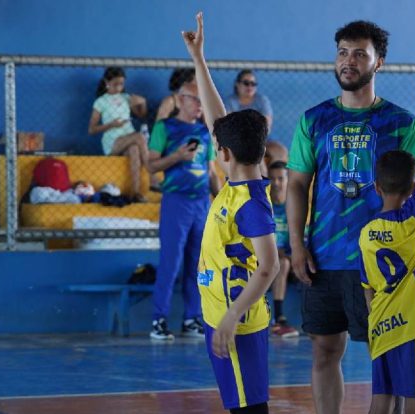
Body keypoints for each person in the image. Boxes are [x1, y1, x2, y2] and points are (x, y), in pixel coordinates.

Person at [286, 20, 415, 414]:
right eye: (343, 52)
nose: (348, 60)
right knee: (325, 349)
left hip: (378, 261)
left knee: (386, 355)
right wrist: (296, 245)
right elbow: (296, 185)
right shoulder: (313, 120)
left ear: (378, 62)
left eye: (359, 54)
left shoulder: (402, 123)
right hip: (324, 258)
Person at [184, 12, 279, 414]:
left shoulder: (250, 203)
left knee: (249, 408)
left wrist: (232, 317)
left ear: (223, 154)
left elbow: (270, 266)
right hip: (220, 315)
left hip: (236, 321)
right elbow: (217, 120)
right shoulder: (235, 182)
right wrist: (199, 59)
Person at [359, 77, 415, 414]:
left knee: (382, 398)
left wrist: (376, 321)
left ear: (377, 187)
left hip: (380, 324)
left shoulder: (365, 233)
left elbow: (367, 288)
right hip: (411, 325)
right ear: (412, 190)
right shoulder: (411, 222)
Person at [147, 68, 221, 341]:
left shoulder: (204, 132)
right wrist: (176, 156)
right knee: (171, 261)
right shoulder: (164, 128)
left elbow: (211, 172)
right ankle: (159, 319)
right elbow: (150, 165)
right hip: (176, 201)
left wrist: (221, 201)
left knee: (198, 263)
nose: (200, 105)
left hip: (201, 202)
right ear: (180, 100)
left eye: (202, 101)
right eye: (195, 99)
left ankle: (192, 317)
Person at [88, 66, 149, 202]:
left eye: (121, 84)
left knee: (134, 149)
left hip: (129, 138)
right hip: (113, 142)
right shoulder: (100, 101)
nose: (119, 87)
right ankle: (153, 175)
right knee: (140, 137)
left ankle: (135, 193)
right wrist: (112, 125)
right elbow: (91, 129)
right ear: (106, 82)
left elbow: (141, 115)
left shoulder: (126, 98)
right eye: (115, 84)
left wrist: (143, 103)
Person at [267, 160, 300, 338]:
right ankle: (278, 318)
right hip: (266, 262)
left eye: (280, 178)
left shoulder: (295, 207)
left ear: (288, 180)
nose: (276, 183)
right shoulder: (264, 206)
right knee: (282, 263)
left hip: (291, 259)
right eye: (272, 179)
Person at [225, 69, 273, 134]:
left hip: (258, 137)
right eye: (246, 83)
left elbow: (267, 127)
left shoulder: (262, 100)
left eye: (253, 84)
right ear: (237, 84)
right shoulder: (230, 101)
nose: (250, 86)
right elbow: (228, 126)